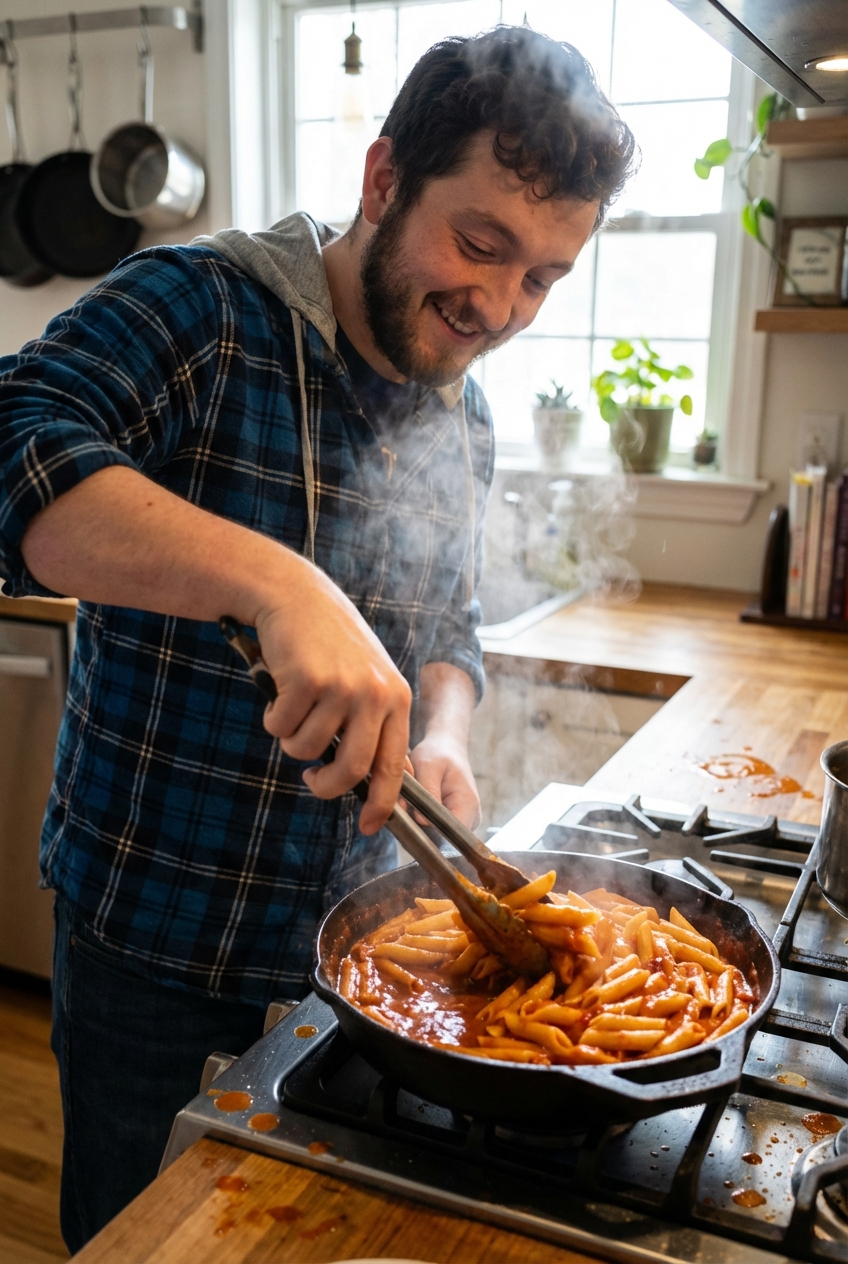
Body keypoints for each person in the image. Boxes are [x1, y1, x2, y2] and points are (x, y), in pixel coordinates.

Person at [0, 25, 634, 1251]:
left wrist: (443, 731)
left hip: (372, 965)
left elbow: (446, 622)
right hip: (156, 955)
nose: (498, 305)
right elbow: (12, 443)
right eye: (480, 243)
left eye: (543, 276)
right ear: (384, 178)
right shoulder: (204, 306)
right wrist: (274, 581)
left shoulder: (463, 411)